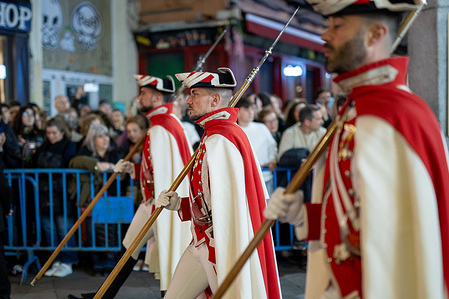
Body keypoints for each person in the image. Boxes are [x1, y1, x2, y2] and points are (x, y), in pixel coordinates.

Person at [264, 1, 449, 298]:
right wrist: (303, 216)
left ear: (375, 34)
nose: (325, 36)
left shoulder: (399, 116)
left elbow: (406, 244)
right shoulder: (353, 110)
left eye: (337, 26)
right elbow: (352, 220)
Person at [157, 67, 281, 298]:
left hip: (217, 246)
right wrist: (180, 205)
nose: (188, 100)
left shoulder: (221, 139)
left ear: (215, 100)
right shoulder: (214, 135)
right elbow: (211, 200)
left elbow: (226, 210)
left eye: (195, 94)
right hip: (202, 241)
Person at [70, 73, 192, 299]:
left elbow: (167, 174)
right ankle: (104, 294)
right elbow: (157, 170)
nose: (140, 97)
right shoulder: (161, 124)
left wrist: (159, 203)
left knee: (169, 252)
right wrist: (133, 170)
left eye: (144, 93)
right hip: (152, 201)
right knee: (129, 249)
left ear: (157, 98)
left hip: (161, 204)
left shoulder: (161, 128)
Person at [34, 116, 78, 278]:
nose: (50, 136)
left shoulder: (69, 145)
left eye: (54, 133)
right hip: (44, 193)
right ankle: (56, 261)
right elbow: (36, 162)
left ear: (62, 132)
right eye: (48, 133)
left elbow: (61, 165)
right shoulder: (45, 145)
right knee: (49, 229)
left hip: (62, 193)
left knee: (64, 228)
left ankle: (68, 261)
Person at [236, 96, 278, 195]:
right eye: (246, 110)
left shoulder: (262, 127)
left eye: (252, 110)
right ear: (237, 112)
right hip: (244, 179)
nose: (251, 113)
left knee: (267, 209)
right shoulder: (234, 130)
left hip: (265, 176)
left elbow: (272, 147)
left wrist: (273, 160)